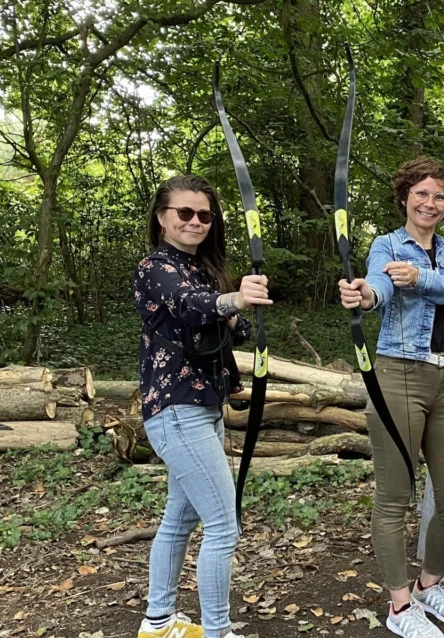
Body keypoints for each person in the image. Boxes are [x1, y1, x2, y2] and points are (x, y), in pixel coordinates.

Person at [338, 156, 444, 638]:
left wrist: (421, 279)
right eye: (421, 193)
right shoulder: (387, 244)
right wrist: (367, 295)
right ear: (405, 197)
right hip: (399, 375)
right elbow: (379, 282)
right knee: (395, 497)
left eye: (440, 195)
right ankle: (399, 607)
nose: (430, 202)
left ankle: (427, 585)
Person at [134, 175, 272, 638]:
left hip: (201, 406)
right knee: (223, 526)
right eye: (185, 213)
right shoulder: (155, 266)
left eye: (205, 215)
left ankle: (157, 623)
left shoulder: (200, 270)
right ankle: (217, 632)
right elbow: (190, 305)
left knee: (180, 517)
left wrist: (234, 307)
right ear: (162, 217)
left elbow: (234, 330)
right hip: (177, 409)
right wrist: (232, 299)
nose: (196, 222)